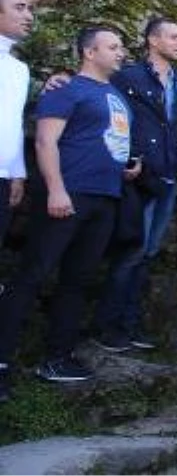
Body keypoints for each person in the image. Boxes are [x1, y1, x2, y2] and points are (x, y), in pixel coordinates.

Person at [0, 27, 138, 398]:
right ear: (88, 52)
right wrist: (57, 189)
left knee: (77, 281)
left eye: (120, 47)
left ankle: (57, 357)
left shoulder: (115, 95)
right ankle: (1, 362)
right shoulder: (68, 90)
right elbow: (46, 141)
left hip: (105, 197)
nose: (120, 52)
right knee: (33, 274)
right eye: (112, 47)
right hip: (69, 193)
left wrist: (125, 167)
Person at [91, 17, 177, 353]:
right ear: (153, 40)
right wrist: (131, 156)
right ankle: (107, 327)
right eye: (174, 37)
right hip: (139, 177)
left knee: (147, 254)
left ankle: (129, 325)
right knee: (130, 252)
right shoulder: (129, 76)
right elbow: (114, 116)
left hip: (168, 175)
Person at [0, 0, 39, 246]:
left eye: (30, 9)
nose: (30, 16)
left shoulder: (19, 69)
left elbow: (13, 123)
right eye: (20, 8)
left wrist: (17, 172)